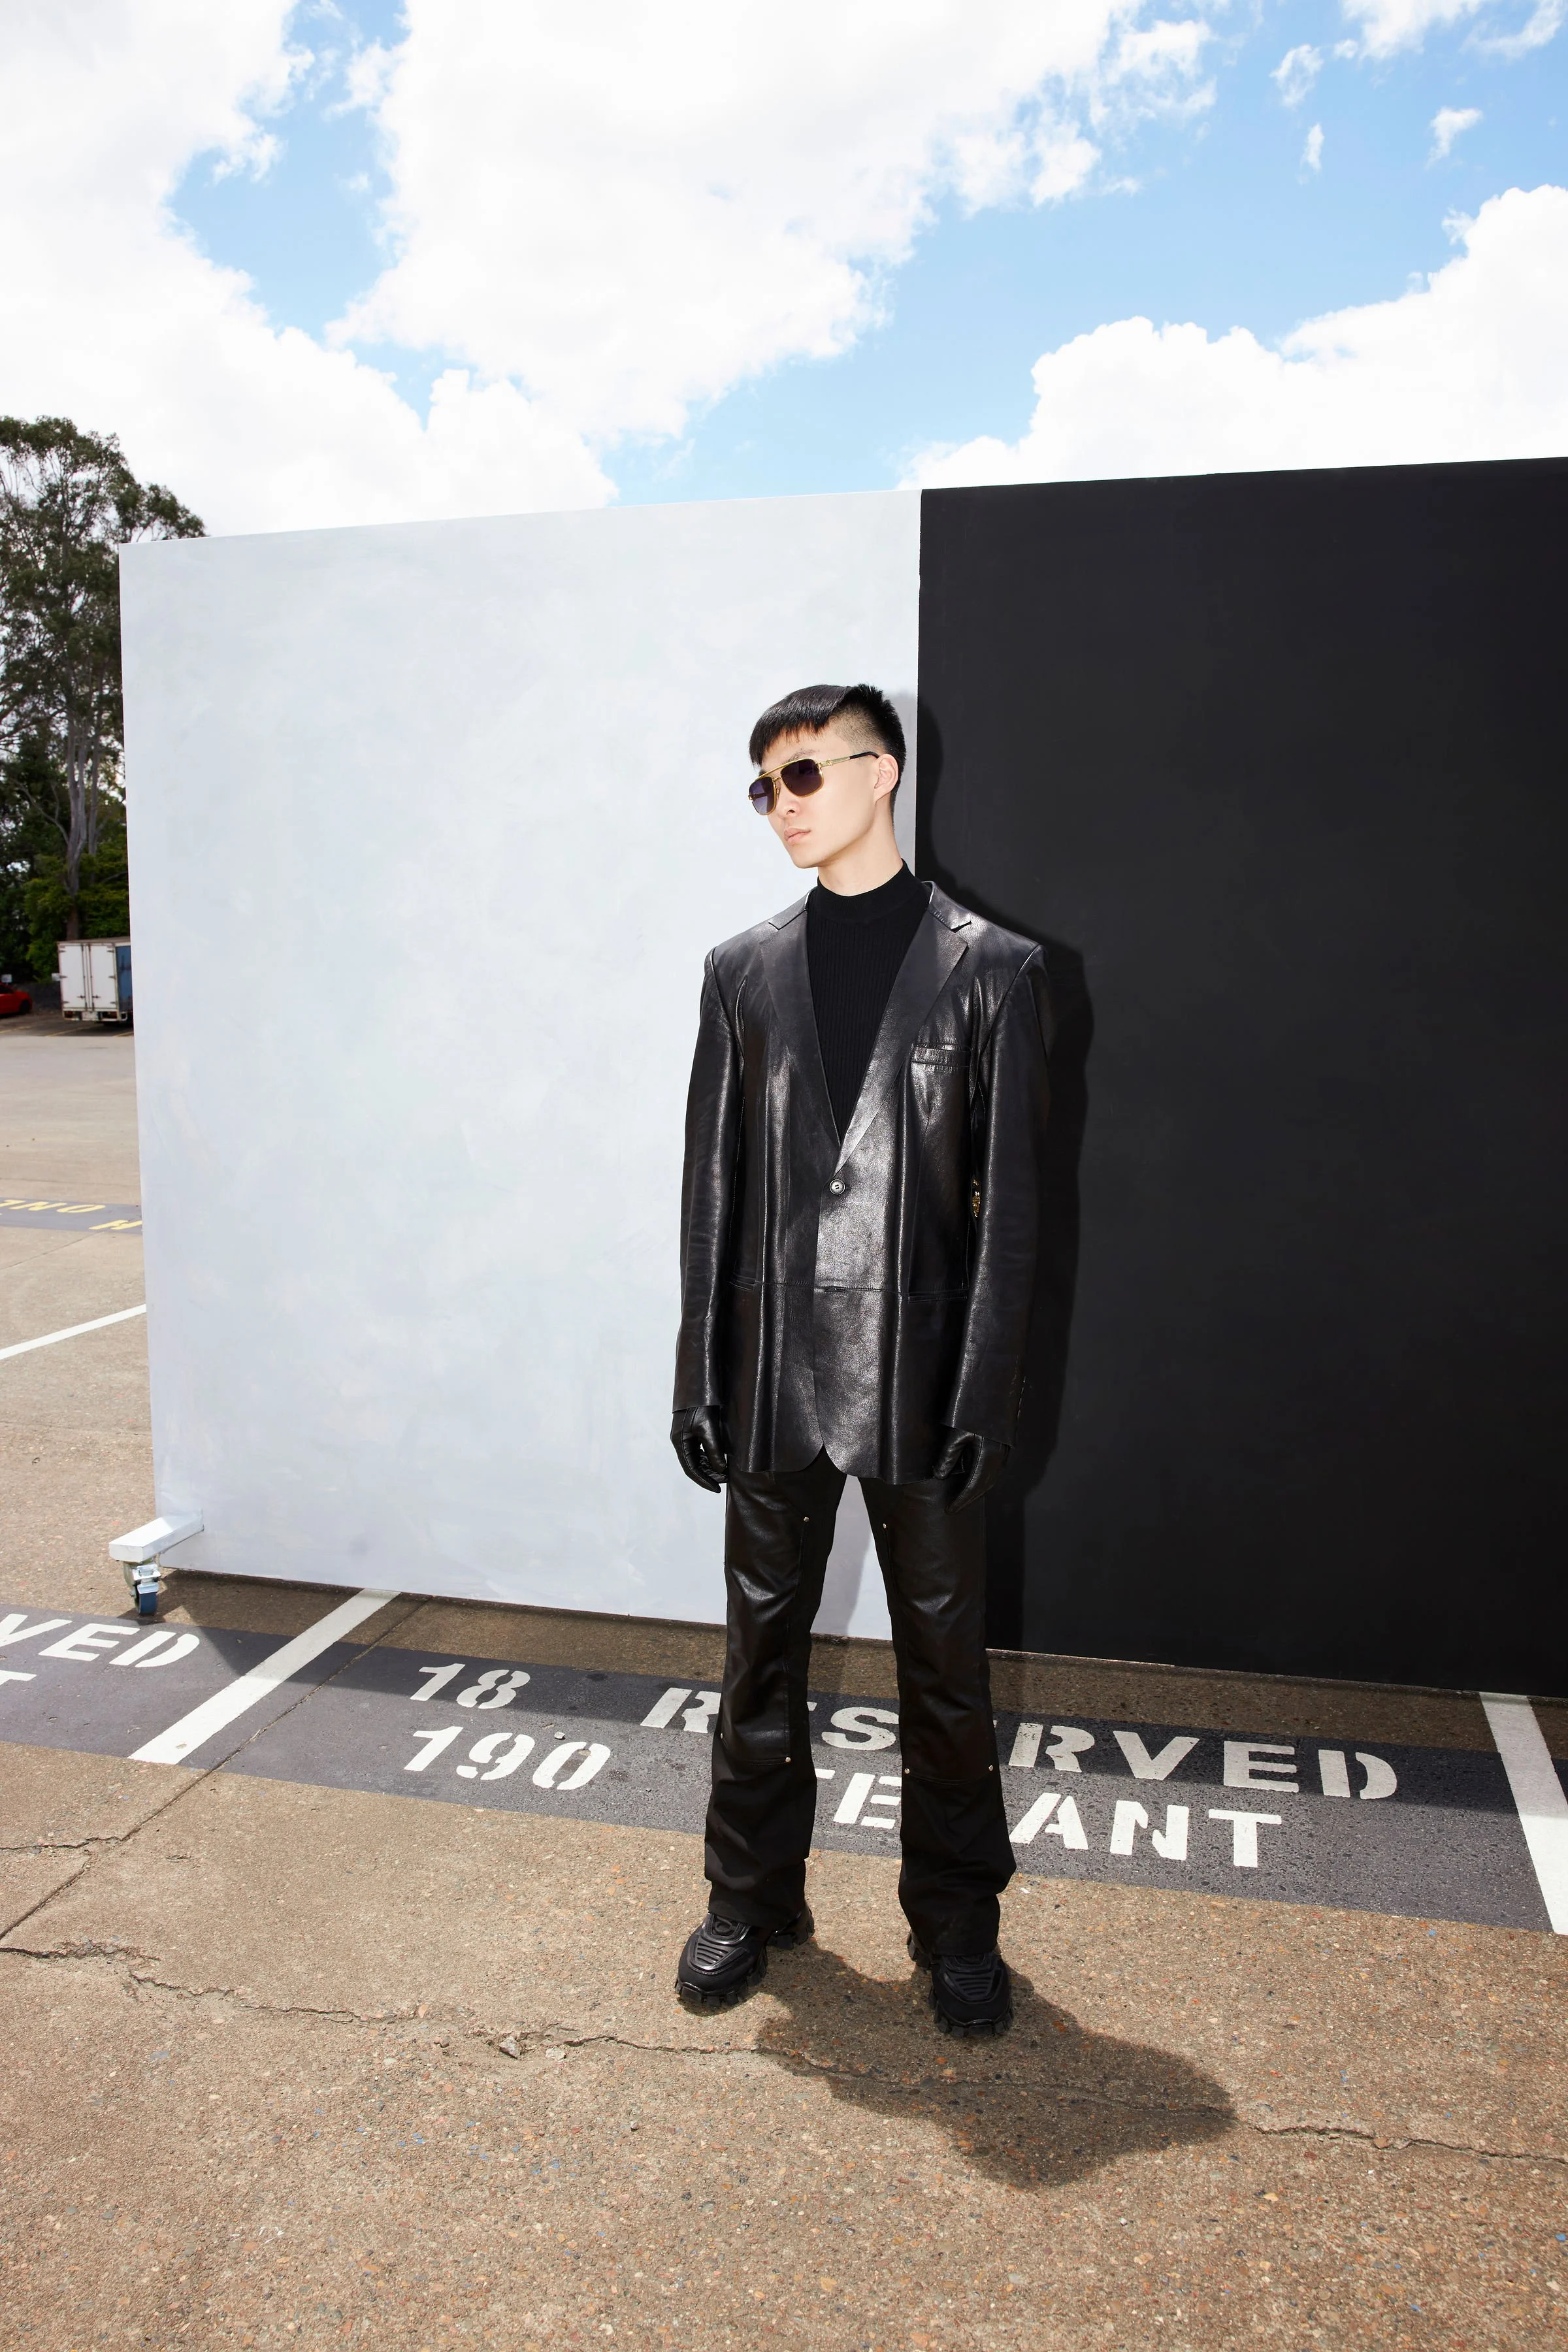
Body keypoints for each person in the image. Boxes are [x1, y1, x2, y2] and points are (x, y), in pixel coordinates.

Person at [670, 682, 1052, 2035]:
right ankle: (750, 1899)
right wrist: (697, 1373)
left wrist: (987, 1393)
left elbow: (1014, 1212)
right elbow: (711, 1191)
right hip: (774, 1372)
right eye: (763, 786)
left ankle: (958, 1922)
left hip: (924, 1380)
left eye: (804, 777)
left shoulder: (995, 972)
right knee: (756, 1657)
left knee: (945, 1673)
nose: (781, 806)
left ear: (879, 772)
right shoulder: (741, 971)